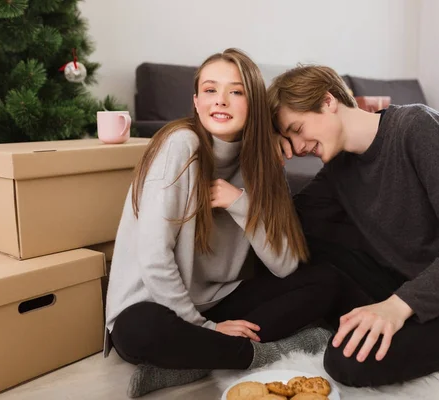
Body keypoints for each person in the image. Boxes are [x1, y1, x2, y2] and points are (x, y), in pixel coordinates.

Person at [268, 65, 439, 388]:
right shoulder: (338, 169)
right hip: (407, 281)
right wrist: (272, 165)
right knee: (308, 245)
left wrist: (394, 308)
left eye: (296, 128)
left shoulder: (418, 127)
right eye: (289, 139)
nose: (298, 146)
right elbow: (286, 227)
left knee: (344, 361)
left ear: (327, 101)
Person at [104, 50, 338, 398]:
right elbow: (154, 258)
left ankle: (195, 359)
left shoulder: (262, 159)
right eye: (211, 90)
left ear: (254, 102)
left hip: (218, 298)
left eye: (237, 91)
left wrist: (239, 203)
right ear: (196, 102)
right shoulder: (180, 145)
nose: (221, 101)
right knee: (139, 332)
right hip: (155, 304)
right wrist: (207, 327)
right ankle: (261, 353)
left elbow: (286, 265)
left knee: (326, 282)